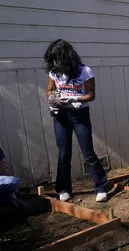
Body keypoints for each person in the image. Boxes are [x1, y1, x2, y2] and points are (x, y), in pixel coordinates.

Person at [44, 39, 108, 202]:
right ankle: (63, 189)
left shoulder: (84, 71)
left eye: (56, 60)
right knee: (64, 153)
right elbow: (49, 90)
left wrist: (75, 99)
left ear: (65, 57)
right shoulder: (54, 72)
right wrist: (52, 98)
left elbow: (91, 95)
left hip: (79, 114)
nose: (54, 64)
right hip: (61, 115)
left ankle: (101, 187)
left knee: (88, 152)